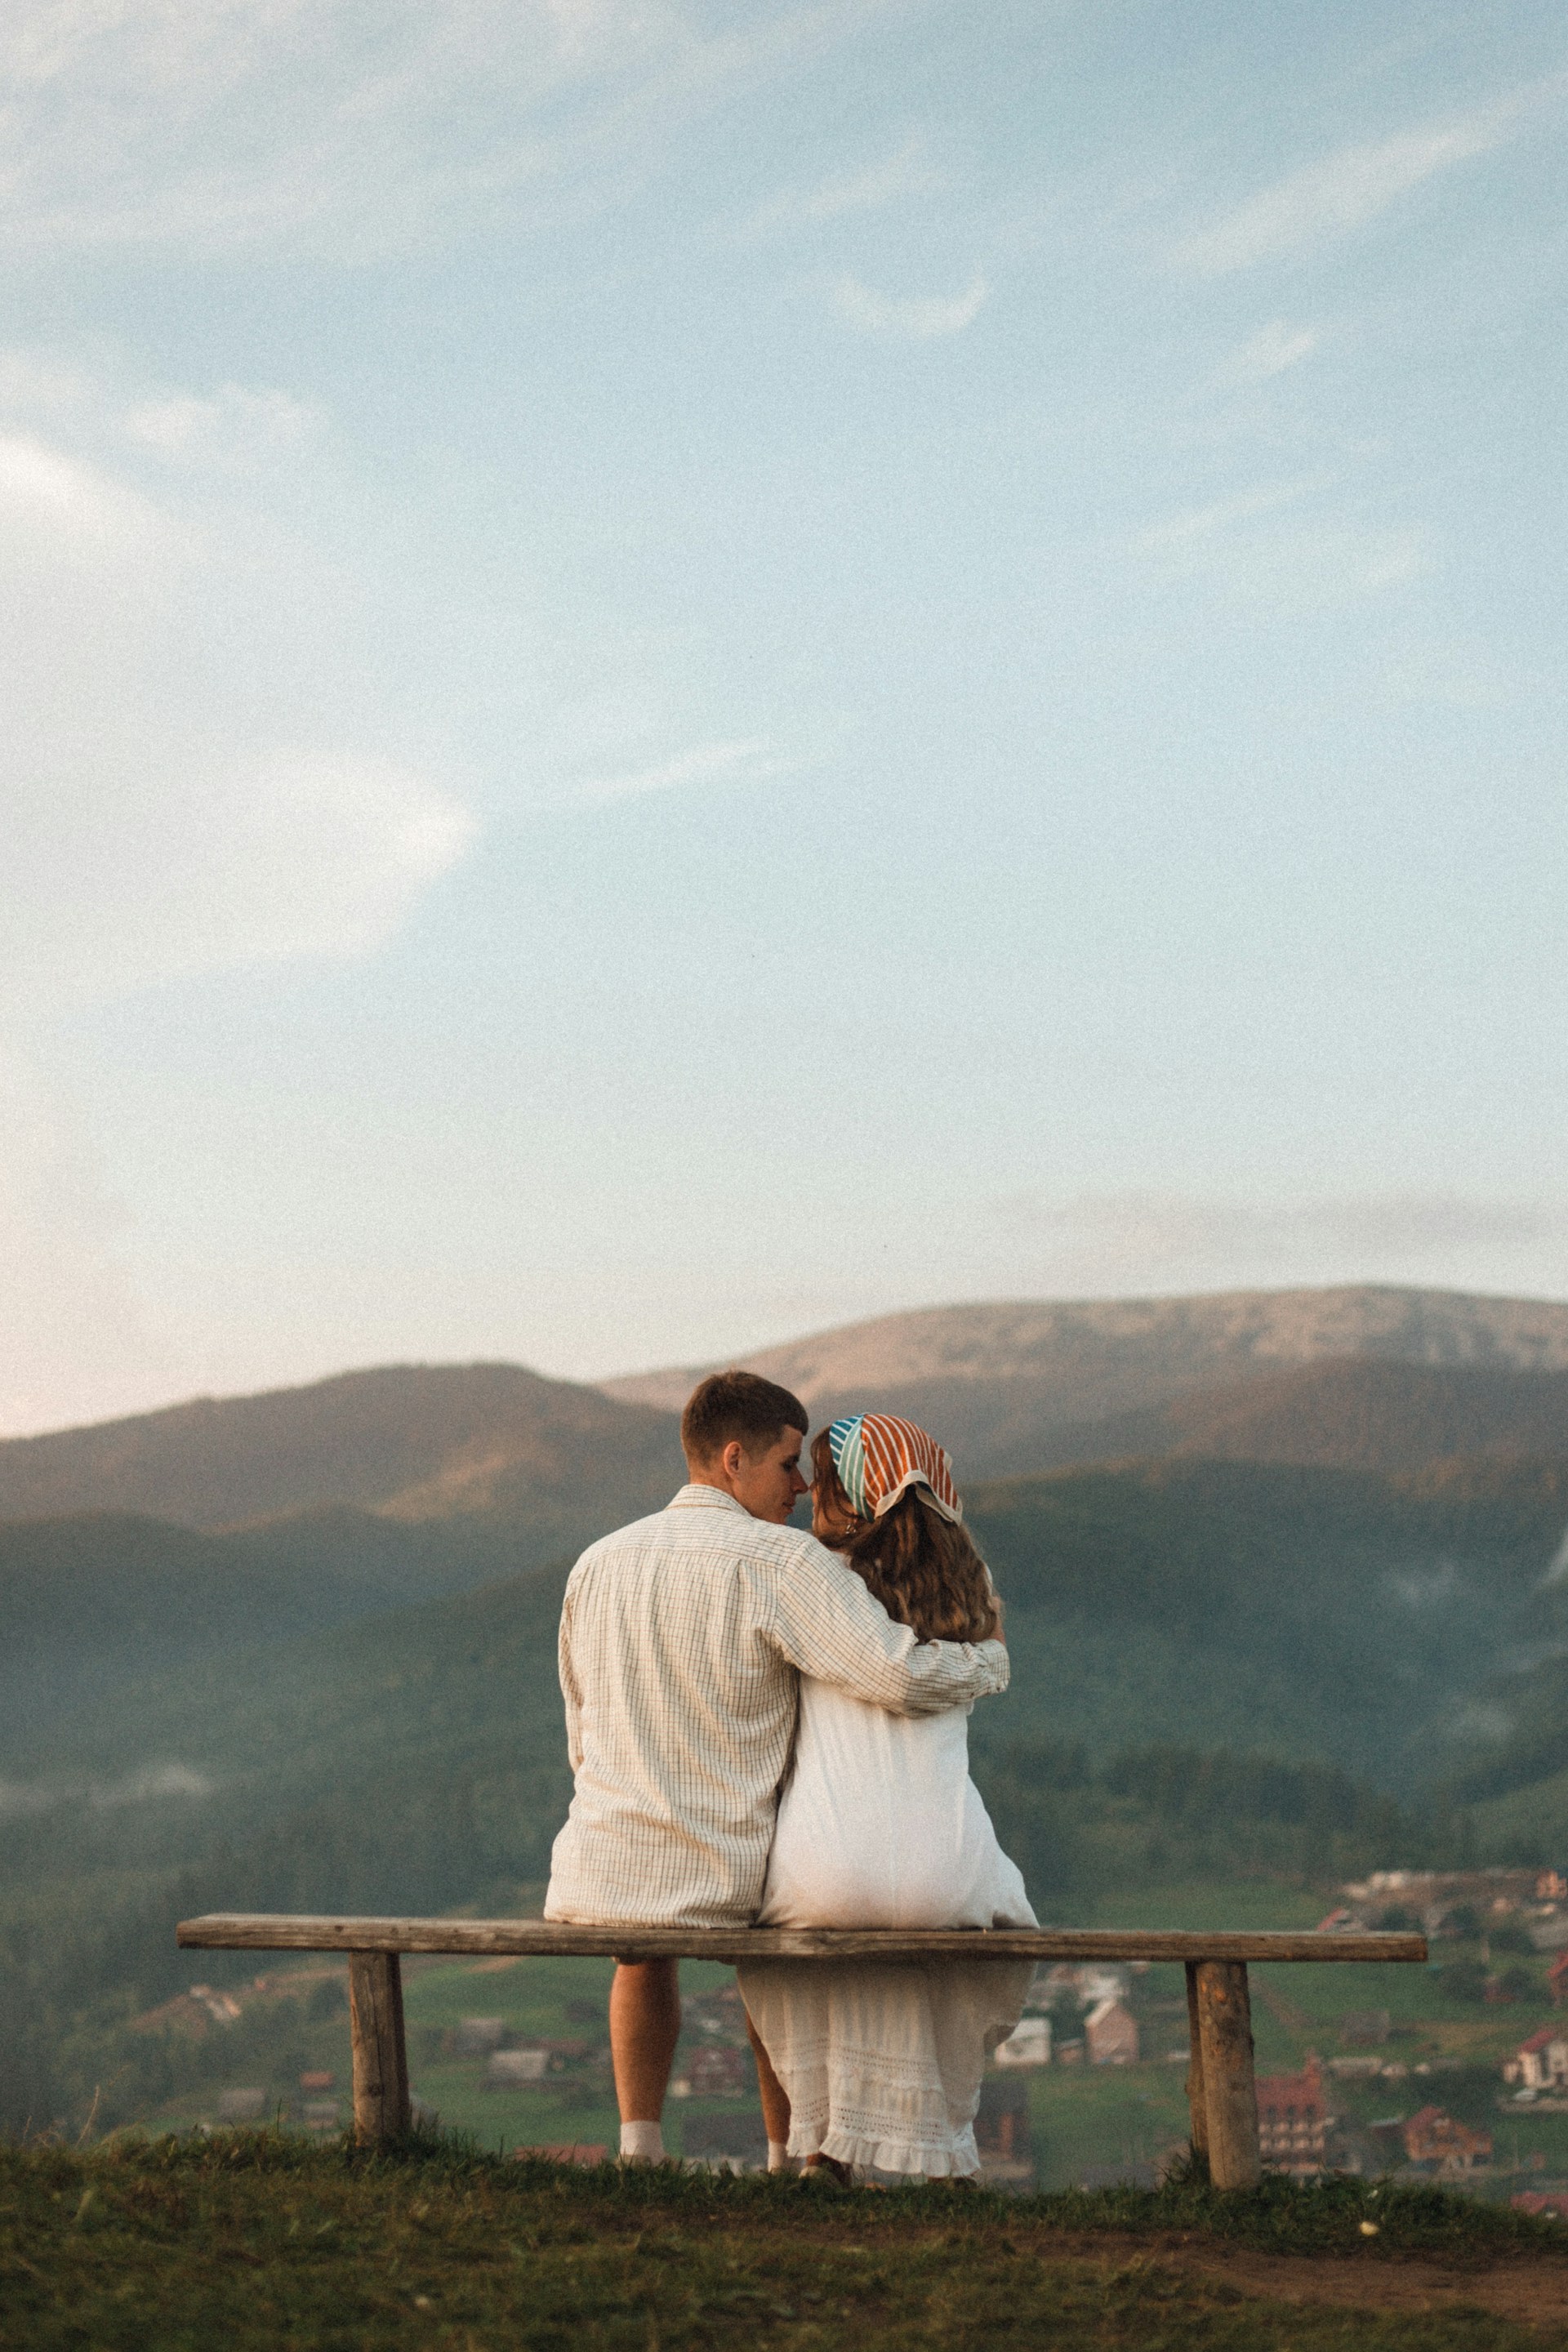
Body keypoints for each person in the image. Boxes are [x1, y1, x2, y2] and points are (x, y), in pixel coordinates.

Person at [543, 1370, 1011, 2167]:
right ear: (733, 1459)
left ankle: (638, 2149)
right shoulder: (779, 1560)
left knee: (640, 1955)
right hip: (731, 1870)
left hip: (602, 1863)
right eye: (789, 1464)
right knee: (774, 1955)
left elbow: (579, 1721)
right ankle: (783, 2155)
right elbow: (892, 1674)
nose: (800, 1485)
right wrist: (983, 1665)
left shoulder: (597, 1561)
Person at [736, 1413, 1036, 2181]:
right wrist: (988, 1664)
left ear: (850, 1496)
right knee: (962, 1913)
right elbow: (979, 1662)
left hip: (827, 1869)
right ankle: (945, 2155)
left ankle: (820, 2154)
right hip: (952, 1870)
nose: (807, 1498)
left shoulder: (812, 1574)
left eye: (821, 1484)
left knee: (787, 1939)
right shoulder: (972, 1584)